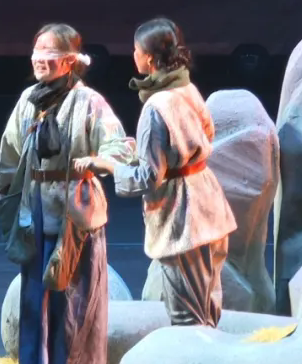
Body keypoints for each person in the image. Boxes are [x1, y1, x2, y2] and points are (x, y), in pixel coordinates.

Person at [0, 23, 136, 364]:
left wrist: (96, 161)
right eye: (37, 52)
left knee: (76, 305)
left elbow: (119, 147)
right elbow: (10, 152)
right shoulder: (29, 100)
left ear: (70, 61)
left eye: (50, 53)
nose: (40, 60)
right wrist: (10, 198)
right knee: (42, 304)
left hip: (75, 214)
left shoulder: (88, 102)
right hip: (37, 211)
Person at [82, 17, 236, 328]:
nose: (133, 55)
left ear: (149, 58)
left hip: (184, 218)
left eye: (136, 50)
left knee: (188, 317)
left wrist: (108, 165)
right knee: (209, 308)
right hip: (208, 204)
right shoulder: (187, 88)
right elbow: (202, 136)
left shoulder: (157, 106)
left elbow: (148, 178)